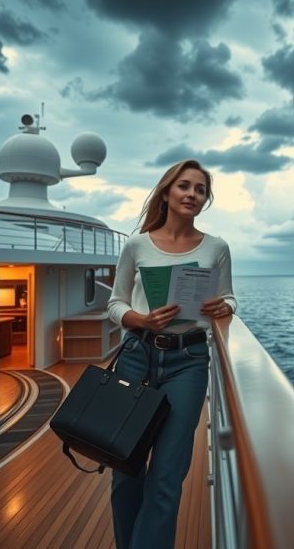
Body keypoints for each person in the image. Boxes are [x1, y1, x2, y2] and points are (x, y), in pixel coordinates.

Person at [106, 159, 236, 548]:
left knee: (167, 476)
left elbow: (229, 297)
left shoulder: (217, 247)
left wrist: (224, 307)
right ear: (166, 192)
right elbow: (114, 305)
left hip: (189, 363)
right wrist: (142, 321)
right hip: (137, 358)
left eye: (200, 189)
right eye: (184, 186)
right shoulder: (137, 245)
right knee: (125, 471)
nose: (192, 194)